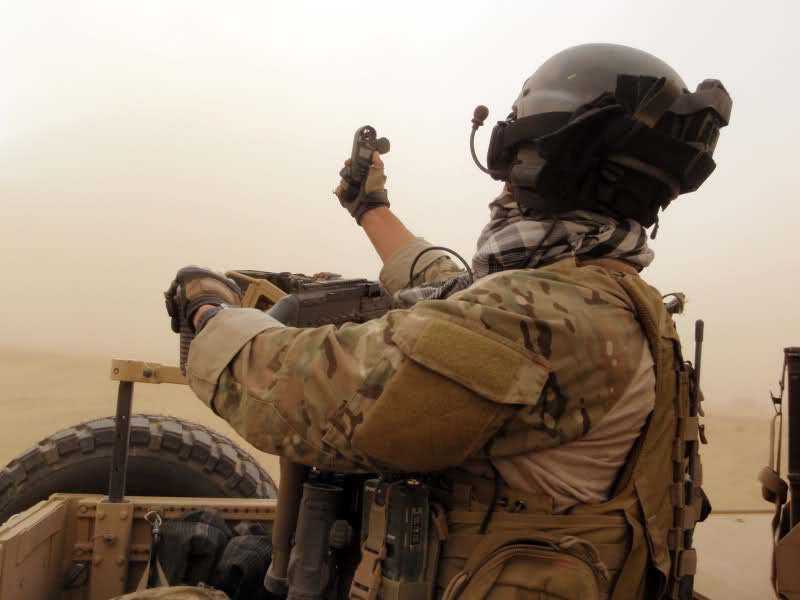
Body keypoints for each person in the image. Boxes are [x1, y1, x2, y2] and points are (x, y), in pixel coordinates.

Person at [166, 43, 731, 599]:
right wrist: (371, 208)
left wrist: (211, 314)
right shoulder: (608, 296)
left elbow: (315, 395)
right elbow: (457, 287)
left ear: (540, 159)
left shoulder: (549, 321)